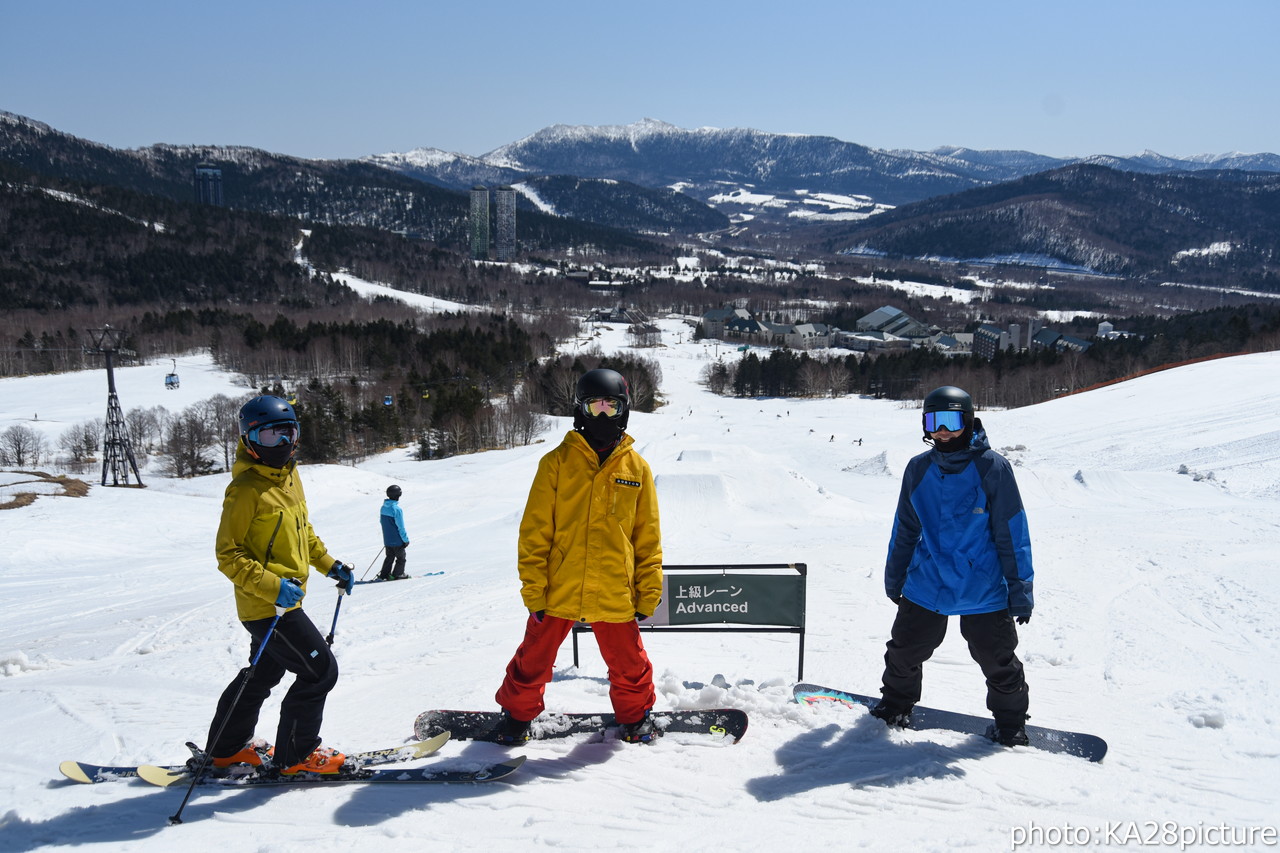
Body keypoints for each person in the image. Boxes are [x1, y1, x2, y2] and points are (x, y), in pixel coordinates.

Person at [494, 368, 664, 744]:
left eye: (611, 406)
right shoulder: (556, 463)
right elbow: (535, 533)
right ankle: (517, 717)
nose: (603, 415)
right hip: (559, 588)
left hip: (614, 590)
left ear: (625, 410)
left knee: (630, 666)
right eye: (595, 406)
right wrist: (534, 590)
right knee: (532, 662)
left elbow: (646, 538)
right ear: (580, 410)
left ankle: (635, 718)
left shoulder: (636, 469)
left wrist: (647, 591)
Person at [873, 386, 1034, 746]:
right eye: (933, 422)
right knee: (903, 653)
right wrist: (894, 576)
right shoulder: (918, 468)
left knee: (997, 660)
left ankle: (1010, 723)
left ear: (968, 420)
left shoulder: (992, 468)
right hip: (927, 583)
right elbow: (906, 529)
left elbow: (1012, 532)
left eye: (950, 421)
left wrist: (1020, 589)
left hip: (983, 587)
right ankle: (895, 707)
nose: (942, 431)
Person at [207, 395, 355, 775]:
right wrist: (273, 588)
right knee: (320, 672)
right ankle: (297, 754)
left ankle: (226, 749)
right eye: (273, 436)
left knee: (263, 673)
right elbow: (229, 554)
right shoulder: (245, 490)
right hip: (266, 606)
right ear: (250, 439)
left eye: (291, 433)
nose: (285, 444)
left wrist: (329, 564)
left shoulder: (289, 476)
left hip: (282, 603)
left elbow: (302, 532)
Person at [378, 484, 410, 580]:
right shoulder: (397, 509)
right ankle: (398, 574)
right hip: (397, 540)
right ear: (398, 495)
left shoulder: (383, 508)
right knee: (401, 558)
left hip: (387, 540)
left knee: (389, 557)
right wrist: (405, 540)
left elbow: (381, 522)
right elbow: (401, 527)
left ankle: (384, 574)